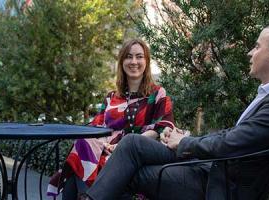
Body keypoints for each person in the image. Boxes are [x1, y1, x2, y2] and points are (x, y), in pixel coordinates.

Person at [80, 25, 269, 200]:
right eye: (129, 57)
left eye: (257, 47)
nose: (250, 53)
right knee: (129, 144)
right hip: (211, 166)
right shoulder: (265, 95)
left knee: (128, 170)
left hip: (220, 182)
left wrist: (184, 143)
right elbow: (234, 136)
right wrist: (187, 138)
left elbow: (230, 143)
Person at [47, 39, 175, 199]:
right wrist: (105, 144)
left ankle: (86, 195)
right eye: (128, 56)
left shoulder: (157, 94)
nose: (134, 61)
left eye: (139, 56)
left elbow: (163, 126)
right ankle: (87, 195)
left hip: (135, 152)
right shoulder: (111, 97)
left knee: (76, 169)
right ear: (122, 62)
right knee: (83, 143)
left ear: (146, 61)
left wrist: (120, 146)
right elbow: (96, 127)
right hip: (105, 148)